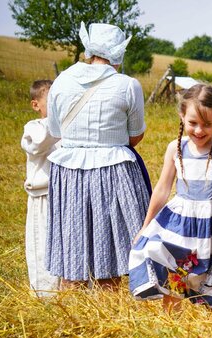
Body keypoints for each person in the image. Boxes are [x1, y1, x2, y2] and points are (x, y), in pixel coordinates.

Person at [128, 84, 212, 311]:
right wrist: (146, 225)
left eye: (207, 124)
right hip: (182, 222)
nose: (199, 130)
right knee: (175, 275)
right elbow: (162, 189)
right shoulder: (175, 149)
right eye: (193, 123)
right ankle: (173, 326)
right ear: (181, 116)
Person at [45, 22, 149, 290]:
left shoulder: (61, 81)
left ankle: (71, 314)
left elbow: (57, 131)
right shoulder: (128, 85)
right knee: (111, 251)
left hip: (69, 172)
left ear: (89, 50)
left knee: (72, 251)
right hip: (113, 171)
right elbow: (135, 135)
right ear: (118, 54)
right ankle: (107, 315)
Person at [20, 79, 60, 297]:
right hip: (42, 195)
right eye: (51, 100)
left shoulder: (63, 127)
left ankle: (66, 288)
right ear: (36, 105)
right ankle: (45, 293)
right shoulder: (34, 128)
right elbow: (39, 142)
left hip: (64, 194)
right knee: (42, 243)